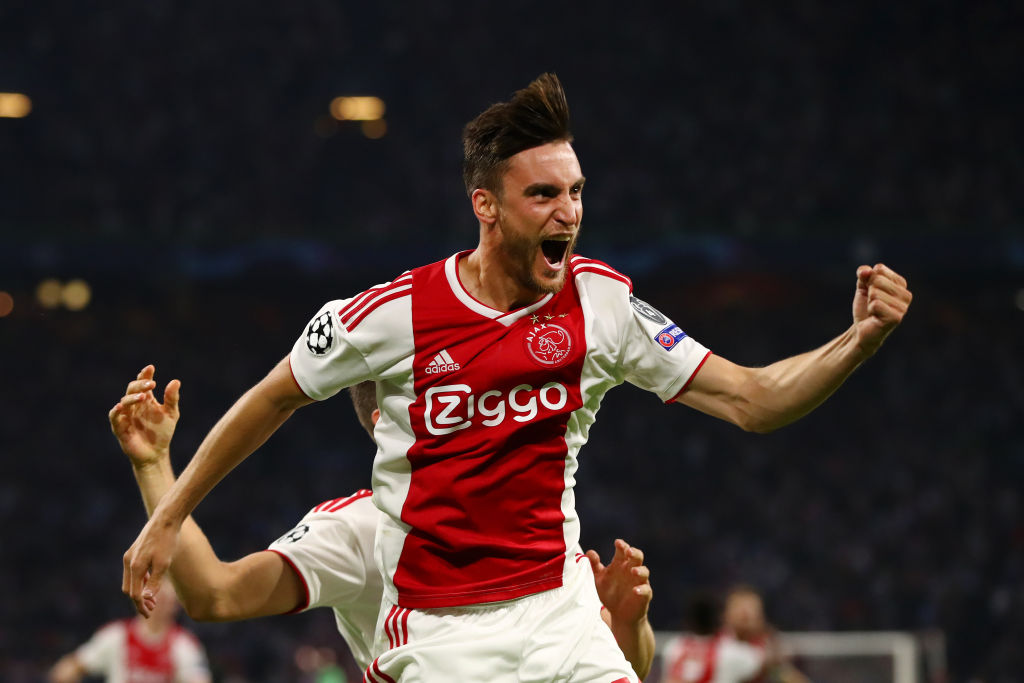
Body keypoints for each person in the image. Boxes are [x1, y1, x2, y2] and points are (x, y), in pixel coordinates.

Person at [122, 73, 911, 682]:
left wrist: (858, 340)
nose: (567, 212)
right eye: (543, 194)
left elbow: (752, 398)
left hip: (557, 612)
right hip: (439, 633)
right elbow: (275, 396)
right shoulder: (392, 314)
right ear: (486, 206)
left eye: (575, 192)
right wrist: (167, 507)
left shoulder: (600, 302)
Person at [110, 366, 655, 679]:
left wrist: (627, 623)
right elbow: (215, 595)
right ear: (387, 423)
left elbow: (628, 667)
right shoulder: (357, 530)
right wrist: (154, 466)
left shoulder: (533, 508)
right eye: (450, 400)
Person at [48, 577, 210, 683]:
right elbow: (68, 669)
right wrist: (67, 670)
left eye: (169, 601)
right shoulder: (116, 636)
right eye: (159, 599)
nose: (161, 605)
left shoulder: (184, 645)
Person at [660, 586, 808, 683]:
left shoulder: (764, 642)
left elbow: (782, 673)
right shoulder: (723, 646)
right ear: (726, 615)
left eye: (752, 611)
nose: (746, 616)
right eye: (741, 611)